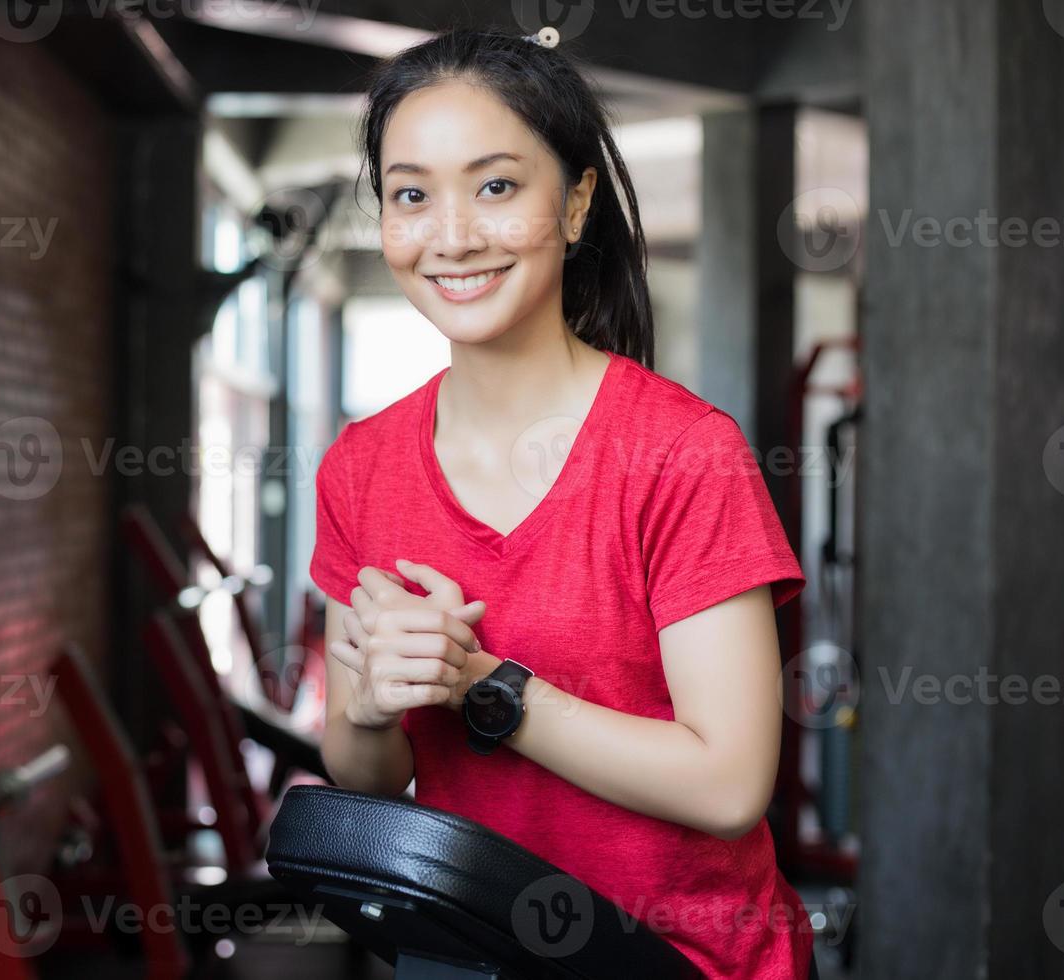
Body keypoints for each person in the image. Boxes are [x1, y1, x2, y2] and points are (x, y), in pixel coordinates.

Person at [308, 28, 819, 980]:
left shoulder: (680, 453)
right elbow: (365, 772)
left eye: (496, 186)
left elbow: (729, 783)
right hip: (469, 956)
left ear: (576, 202)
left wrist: (485, 689)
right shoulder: (359, 469)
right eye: (412, 194)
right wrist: (376, 707)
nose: (452, 234)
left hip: (674, 960)